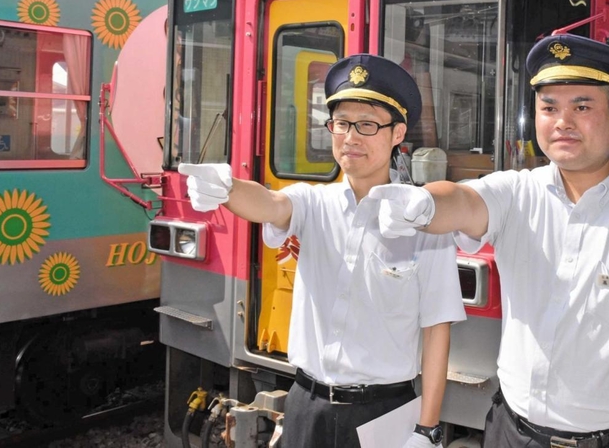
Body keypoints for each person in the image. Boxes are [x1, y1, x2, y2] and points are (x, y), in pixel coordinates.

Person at [372, 34, 609, 448]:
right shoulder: (516, 194)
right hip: (514, 435)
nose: (562, 121)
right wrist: (421, 203)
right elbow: (463, 201)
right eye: (549, 108)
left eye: (582, 107)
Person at [179, 54, 465, 448]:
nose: (350, 138)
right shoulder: (314, 203)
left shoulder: (424, 221)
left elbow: (437, 330)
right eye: (341, 124)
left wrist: (427, 428)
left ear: (398, 133)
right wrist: (227, 189)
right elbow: (271, 203)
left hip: (383, 412)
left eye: (367, 125)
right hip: (305, 406)